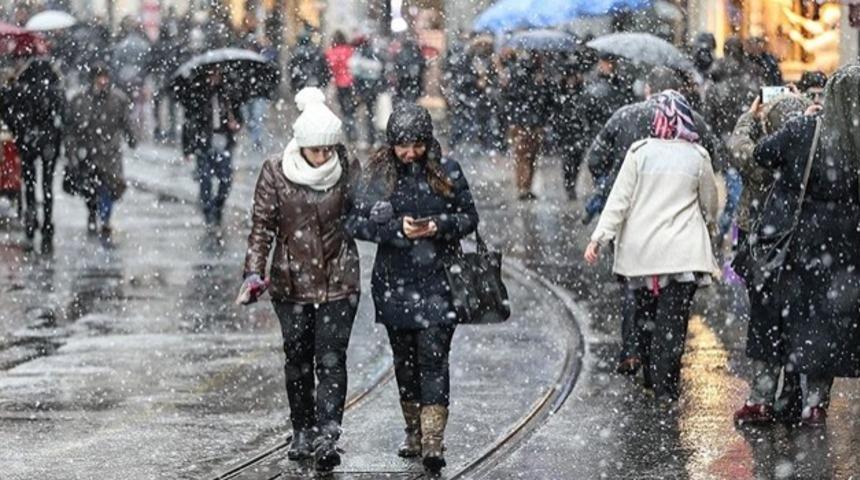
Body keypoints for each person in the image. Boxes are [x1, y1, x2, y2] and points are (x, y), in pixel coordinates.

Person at [347, 103, 478, 473]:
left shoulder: (447, 171)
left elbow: (469, 217)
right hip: (394, 283)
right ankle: (413, 431)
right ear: (391, 144)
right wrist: (395, 231)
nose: (410, 153)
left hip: (439, 282)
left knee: (433, 358)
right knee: (404, 363)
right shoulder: (377, 176)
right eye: (402, 145)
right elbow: (355, 223)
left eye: (417, 144)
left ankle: (433, 439)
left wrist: (438, 226)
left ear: (427, 141)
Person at [240, 87, 361, 472]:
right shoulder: (276, 171)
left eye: (328, 148)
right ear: (301, 144)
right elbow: (262, 227)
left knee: (330, 358)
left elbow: (367, 210)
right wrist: (254, 272)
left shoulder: (347, 165)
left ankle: (328, 431)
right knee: (297, 359)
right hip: (290, 283)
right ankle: (302, 429)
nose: (324, 156)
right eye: (316, 149)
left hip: (339, 280)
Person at [741, 65, 860, 426]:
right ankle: (815, 405)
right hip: (844, 247)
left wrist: (756, 120)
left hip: (794, 241)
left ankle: (761, 400)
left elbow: (760, 155)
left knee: (772, 318)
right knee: (827, 323)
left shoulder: (806, 129)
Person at [585, 91, 719, 402]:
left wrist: (599, 237)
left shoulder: (639, 152)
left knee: (645, 317)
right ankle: (666, 386)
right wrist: (710, 226)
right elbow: (709, 203)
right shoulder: (697, 156)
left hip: (641, 254)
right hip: (682, 256)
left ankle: (648, 370)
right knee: (673, 323)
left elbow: (619, 200)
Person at [727, 92, 811, 425]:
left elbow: (738, 147)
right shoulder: (807, 151)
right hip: (799, 245)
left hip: (762, 247)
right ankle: (792, 396)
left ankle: (761, 398)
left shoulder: (764, 157)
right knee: (794, 320)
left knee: (764, 322)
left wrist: (750, 116)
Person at [65, 64, 137, 242]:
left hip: (110, 152)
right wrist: (72, 151)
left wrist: (131, 137)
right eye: (99, 77)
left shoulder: (118, 99)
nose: (103, 81)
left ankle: (105, 220)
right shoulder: (80, 100)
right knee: (90, 189)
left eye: (105, 77)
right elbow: (72, 128)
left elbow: (126, 121)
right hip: (88, 152)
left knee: (109, 187)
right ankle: (92, 213)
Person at [0, 59, 66, 251]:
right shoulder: (54, 87)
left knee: (29, 183)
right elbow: (64, 116)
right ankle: (47, 221)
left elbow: (6, 109)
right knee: (47, 185)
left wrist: (19, 132)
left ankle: (31, 217)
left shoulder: (22, 88)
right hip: (48, 142)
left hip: (28, 140)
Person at [180, 67, 243, 227]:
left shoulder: (228, 94)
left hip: (223, 141)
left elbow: (238, 116)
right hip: (204, 143)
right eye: (210, 74)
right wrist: (187, 148)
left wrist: (235, 124)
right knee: (205, 179)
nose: (214, 77)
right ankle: (208, 210)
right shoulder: (198, 95)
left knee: (226, 179)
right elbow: (189, 123)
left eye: (217, 73)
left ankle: (218, 205)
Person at [502, 51, 550, 200]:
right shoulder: (529, 77)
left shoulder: (518, 74)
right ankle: (524, 187)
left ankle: (524, 187)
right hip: (527, 123)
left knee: (526, 156)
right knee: (526, 156)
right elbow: (538, 100)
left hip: (524, 122)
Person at [326, 30, 357, 144]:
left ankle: (348, 132)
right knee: (351, 109)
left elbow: (330, 68)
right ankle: (353, 130)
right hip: (351, 83)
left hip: (339, 84)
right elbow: (354, 66)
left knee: (344, 109)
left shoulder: (331, 53)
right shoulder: (350, 51)